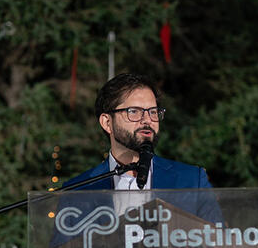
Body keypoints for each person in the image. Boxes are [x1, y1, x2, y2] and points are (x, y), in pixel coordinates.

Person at [63, 73, 213, 192]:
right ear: (107, 123)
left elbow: (215, 231)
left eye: (153, 112)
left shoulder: (192, 181)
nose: (147, 120)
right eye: (134, 111)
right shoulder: (78, 190)